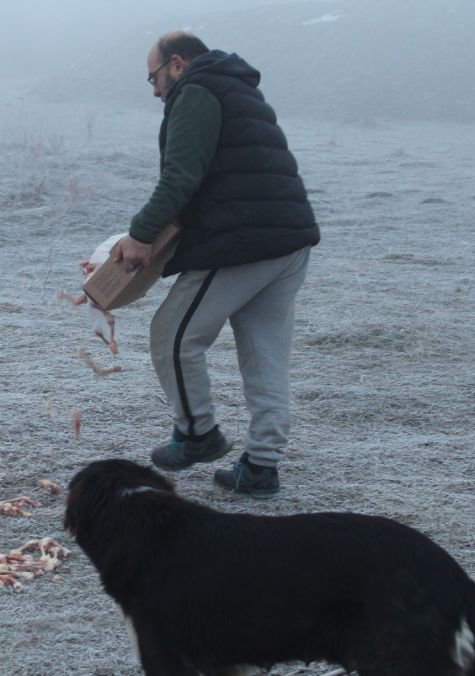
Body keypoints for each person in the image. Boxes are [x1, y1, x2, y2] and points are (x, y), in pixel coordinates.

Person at [112, 31, 319, 498]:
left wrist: (141, 234)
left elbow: (182, 176)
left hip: (244, 240)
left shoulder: (198, 91)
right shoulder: (237, 87)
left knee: (173, 335)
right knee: (266, 356)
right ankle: (261, 466)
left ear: (178, 64)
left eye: (154, 76)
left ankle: (196, 433)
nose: (154, 90)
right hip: (289, 239)